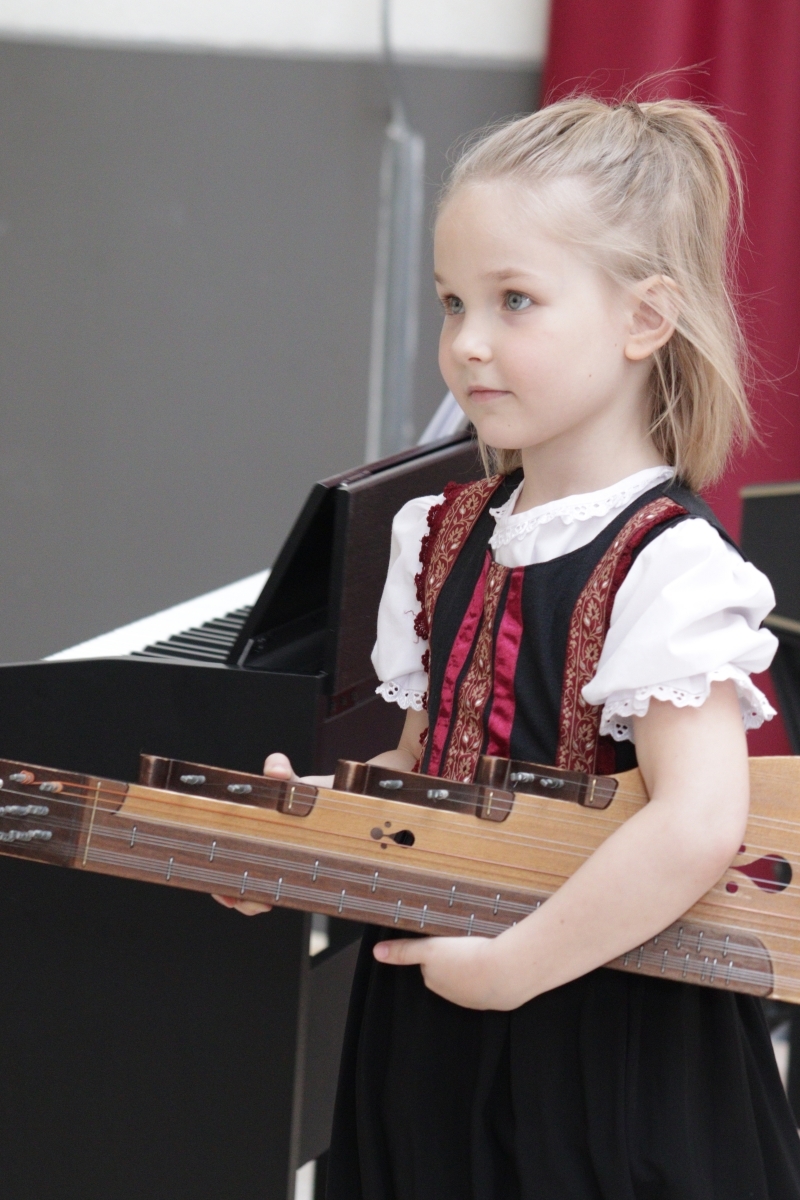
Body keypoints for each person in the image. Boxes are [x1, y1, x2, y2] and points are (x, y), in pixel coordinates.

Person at [221, 96, 800, 1198]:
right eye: (453, 302)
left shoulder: (670, 568)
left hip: (600, 1032)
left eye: (514, 300)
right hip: (434, 1011)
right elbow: (421, 766)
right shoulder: (436, 536)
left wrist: (515, 968)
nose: (467, 341)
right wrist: (301, 840)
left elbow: (696, 822)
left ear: (644, 319)